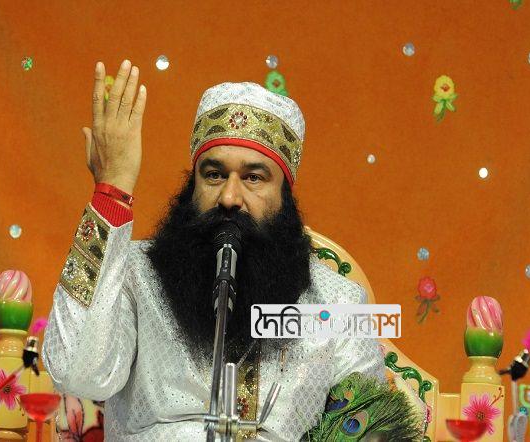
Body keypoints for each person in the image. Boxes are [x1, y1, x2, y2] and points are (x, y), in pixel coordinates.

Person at [42, 59, 386, 441]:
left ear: (284, 196)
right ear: (194, 184)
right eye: (214, 174)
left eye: (253, 177)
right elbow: (76, 371)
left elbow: (372, 429)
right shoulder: (136, 275)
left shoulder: (338, 303)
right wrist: (112, 189)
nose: (229, 197)